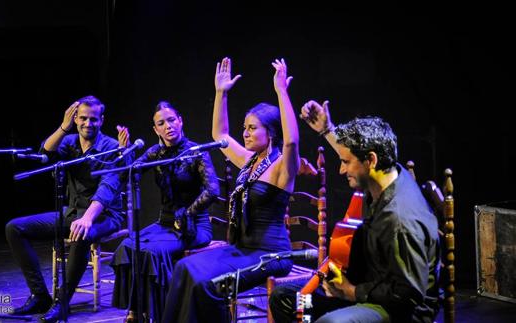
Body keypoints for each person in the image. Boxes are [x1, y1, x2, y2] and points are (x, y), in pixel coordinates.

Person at [269, 100, 441, 322]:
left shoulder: (400, 220)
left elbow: (407, 294)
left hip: (399, 309)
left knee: (329, 322)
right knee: (287, 299)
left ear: (371, 160)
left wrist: (351, 292)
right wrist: (327, 130)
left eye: (345, 162)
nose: (341, 170)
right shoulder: (384, 176)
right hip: (367, 285)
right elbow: (354, 152)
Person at [161, 57, 300, 323]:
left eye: (252, 128)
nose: (245, 134)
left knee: (209, 285)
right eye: (244, 128)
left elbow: (292, 140)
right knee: (183, 268)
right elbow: (219, 134)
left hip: (271, 254)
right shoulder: (248, 161)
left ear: (270, 133)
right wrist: (221, 93)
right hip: (241, 248)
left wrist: (281, 92)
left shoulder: (282, 167)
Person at [5, 95, 124, 323]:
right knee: (14, 228)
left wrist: (88, 218)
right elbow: (45, 153)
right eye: (82, 118)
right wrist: (63, 127)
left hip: (104, 216)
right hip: (72, 213)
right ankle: (40, 296)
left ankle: (62, 302)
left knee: (81, 233)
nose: (88, 124)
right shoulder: (68, 142)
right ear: (75, 119)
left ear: (102, 120)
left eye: (93, 119)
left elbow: (108, 187)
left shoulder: (110, 147)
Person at [111, 101, 220, 322]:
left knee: (152, 252)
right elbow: (130, 175)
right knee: (128, 245)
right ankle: (137, 311)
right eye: (161, 123)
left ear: (180, 121)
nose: (168, 126)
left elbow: (213, 190)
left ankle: (160, 315)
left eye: (171, 120)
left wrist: (187, 213)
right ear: (155, 129)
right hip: (165, 224)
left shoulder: (195, 151)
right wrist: (126, 153)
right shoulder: (155, 153)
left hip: (194, 226)